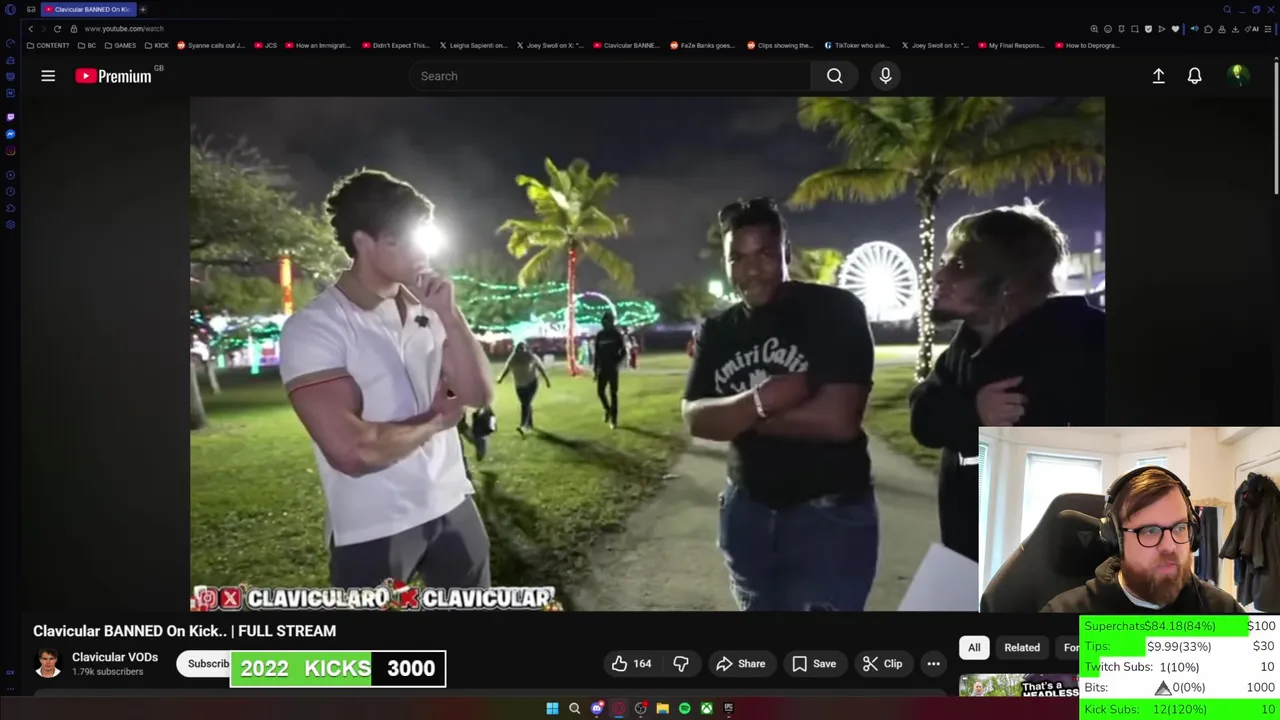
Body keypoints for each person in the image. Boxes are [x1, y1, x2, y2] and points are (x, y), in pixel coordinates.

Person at [278, 169, 496, 589]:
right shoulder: (316, 326)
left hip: (452, 500)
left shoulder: (427, 309)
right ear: (364, 242)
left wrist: (450, 315)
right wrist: (437, 420)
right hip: (374, 522)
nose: (424, 252)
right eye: (409, 238)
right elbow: (353, 450)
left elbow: (476, 393)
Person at [682, 197, 878, 611]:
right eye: (737, 258)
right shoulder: (719, 330)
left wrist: (734, 417)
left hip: (828, 519)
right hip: (746, 514)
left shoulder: (834, 311)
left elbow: (838, 420)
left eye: (764, 254)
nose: (751, 270)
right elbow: (694, 417)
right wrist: (761, 401)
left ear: (786, 253)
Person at [909, 202, 1105, 564]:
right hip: (965, 559)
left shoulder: (1088, 344)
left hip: (1052, 567)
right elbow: (922, 415)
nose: (939, 276)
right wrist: (974, 412)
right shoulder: (966, 345)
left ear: (1009, 284)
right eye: (945, 262)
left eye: (960, 265)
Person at [1042, 467, 1244, 613]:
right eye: (1150, 531)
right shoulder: (1064, 613)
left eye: (1180, 528)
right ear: (1116, 539)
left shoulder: (1224, 611)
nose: (1169, 546)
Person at [496, 341, 551, 434]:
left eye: (523, 348)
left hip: (531, 383)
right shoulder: (513, 359)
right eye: (520, 348)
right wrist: (501, 378)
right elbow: (507, 369)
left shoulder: (532, 357)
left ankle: (523, 425)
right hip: (519, 385)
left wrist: (547, 380)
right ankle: (529, 424)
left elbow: (540, 368)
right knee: (526, 404)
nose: (522, 350)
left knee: (525, 403)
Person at [592, 312, 627, 428]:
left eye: (607, 321)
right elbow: (597, 353)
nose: (605, 323)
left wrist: (616, 361)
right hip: (602, 368)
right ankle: (607, 409)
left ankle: (614, 419)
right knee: (600, 392)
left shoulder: (616, 335)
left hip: (612, 368)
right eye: (604, 321)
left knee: (613, 393)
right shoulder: (600, 335)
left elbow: (623, 351)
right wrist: (595, 369)